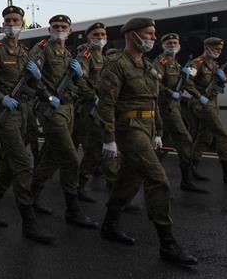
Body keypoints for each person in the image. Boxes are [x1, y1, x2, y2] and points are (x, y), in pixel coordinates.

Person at [96, 17, 197, 266]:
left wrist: (159, 131)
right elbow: (107, 103)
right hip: (128, 128)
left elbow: (154, 101)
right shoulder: (116, 64)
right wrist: (109, 138)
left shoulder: (149, 66)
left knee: (131, 177)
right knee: (157, 179)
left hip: (147, 127)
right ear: (133, 35)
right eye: (149, 34)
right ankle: (167, 243)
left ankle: (109, 224)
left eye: (153, 34)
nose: (153, 38)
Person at [0, 5, 55, 244]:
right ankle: (29, 221)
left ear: (23, 23)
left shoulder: (24, 53)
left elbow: (32, 83)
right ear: (3, 24)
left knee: (10, 167)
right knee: (22, 165)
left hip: (23, 112)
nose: (12, 24)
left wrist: (45, 91)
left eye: (16, 20)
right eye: (8, 20)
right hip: (3, 113)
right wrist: (1, 97)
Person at [28, 15, 98, 229]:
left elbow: (76, 82)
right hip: (51, 108)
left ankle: (31, 198)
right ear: (49, 29)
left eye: (63, 27)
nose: (59, 29)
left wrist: (86, 86)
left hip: (68, 108)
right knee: (71, 158)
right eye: (56, 26)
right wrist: (47, 95)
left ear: (70, 30)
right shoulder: (42, 50)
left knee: (51, 157)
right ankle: (72, 210)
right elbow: (31, 76)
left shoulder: (69, 54)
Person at [189, 37, 227, 185]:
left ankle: (191, 167)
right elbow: (186, 82)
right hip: (201, 103)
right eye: (216, 48)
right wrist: (199, 96)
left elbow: (218, 86)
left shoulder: (215, 65)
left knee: (205, 136)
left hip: (212, 103)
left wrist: (221, 81)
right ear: (207, 47)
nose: (219, 51)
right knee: (224, 136)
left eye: (220, 49)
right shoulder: (196, 63)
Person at [153, 33, 208, 193]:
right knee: (185, 140)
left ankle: (152, 174)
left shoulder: (176, 63)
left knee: (163, 143)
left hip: (175, 106)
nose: (172, 45)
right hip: (166, 107)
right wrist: (171, 93)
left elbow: (184, 84)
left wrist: (189, 81)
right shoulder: (160, 62)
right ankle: (187, 179)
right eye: (169, 42)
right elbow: (156, 84)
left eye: (175, 42)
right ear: (163, 45)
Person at [75, 22, 115, 203]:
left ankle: (113, 184)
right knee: (95, 148)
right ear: (88, 38)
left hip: (106, 107)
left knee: (105, 146)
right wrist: (93, 96)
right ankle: (79, 185)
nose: (100, 38)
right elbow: (80, 79)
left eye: (102, 35)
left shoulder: (105, 59)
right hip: (91, 108)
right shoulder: (86, 56)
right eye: (96, 35)